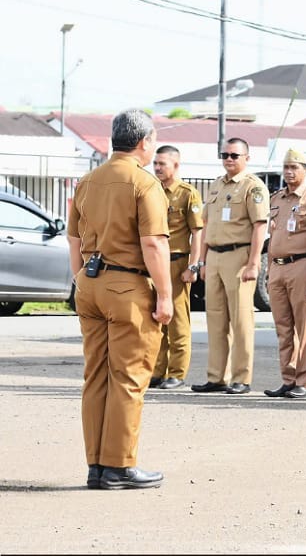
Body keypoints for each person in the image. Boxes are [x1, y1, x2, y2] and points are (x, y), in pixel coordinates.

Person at [68, 109, 172, 490]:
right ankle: (118, 465)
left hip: (91, 284)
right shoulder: (144, 184)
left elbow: (74, 241)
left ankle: (96, 464)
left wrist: (80, 279)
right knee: (128, 376)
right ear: (144, 141)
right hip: (127, 287)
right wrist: (165, 295)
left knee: (95, 375)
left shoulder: (88, 181)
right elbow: (154, 243)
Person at [191, 137, 269, 395]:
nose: (228, 159)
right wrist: (201, 261)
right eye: (224, 154)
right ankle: (216, 377)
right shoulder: (216, 185)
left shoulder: (252, 186)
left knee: (241, 320)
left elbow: (260, 226)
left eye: (234, 155)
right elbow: (205, 225)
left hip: (239, 256)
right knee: (215, 319)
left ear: (247, 158)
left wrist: (254, 262)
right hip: (214, 256)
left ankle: (241, 378)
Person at [263, 148, 306, 399]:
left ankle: (305, 380)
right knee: (283, 327)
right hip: (278, 267)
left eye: (295, 168)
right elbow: (273, 237)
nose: (289, 172)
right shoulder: (277, 198)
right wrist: (270, 270)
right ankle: (288, 378)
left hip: (302, 265)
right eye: (286, 168)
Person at [149, 145, 204, 391]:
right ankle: (157, 371)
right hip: (153, 263)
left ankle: (177, 373)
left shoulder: (186, 194)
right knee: (156, 320)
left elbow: (197, 232)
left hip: (176, 261)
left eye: (163, 164)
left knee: (178, 320)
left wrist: (193, 265)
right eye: (156, 163)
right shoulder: (150, 191)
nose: (158, 168)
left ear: (176, 165)